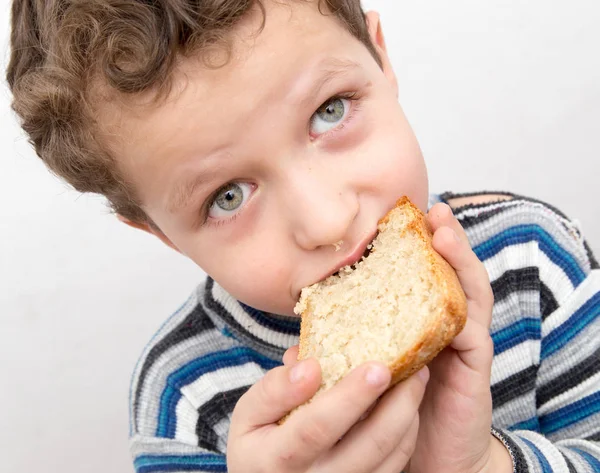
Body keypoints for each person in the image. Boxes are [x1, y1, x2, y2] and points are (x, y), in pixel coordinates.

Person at [6, 1, 599, 472]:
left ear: (381, 60)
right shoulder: (185, 400)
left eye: (331, 111)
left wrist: (480, 467)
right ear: (163, 237)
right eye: (228, 196)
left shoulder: (534, 259)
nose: (326, 222)